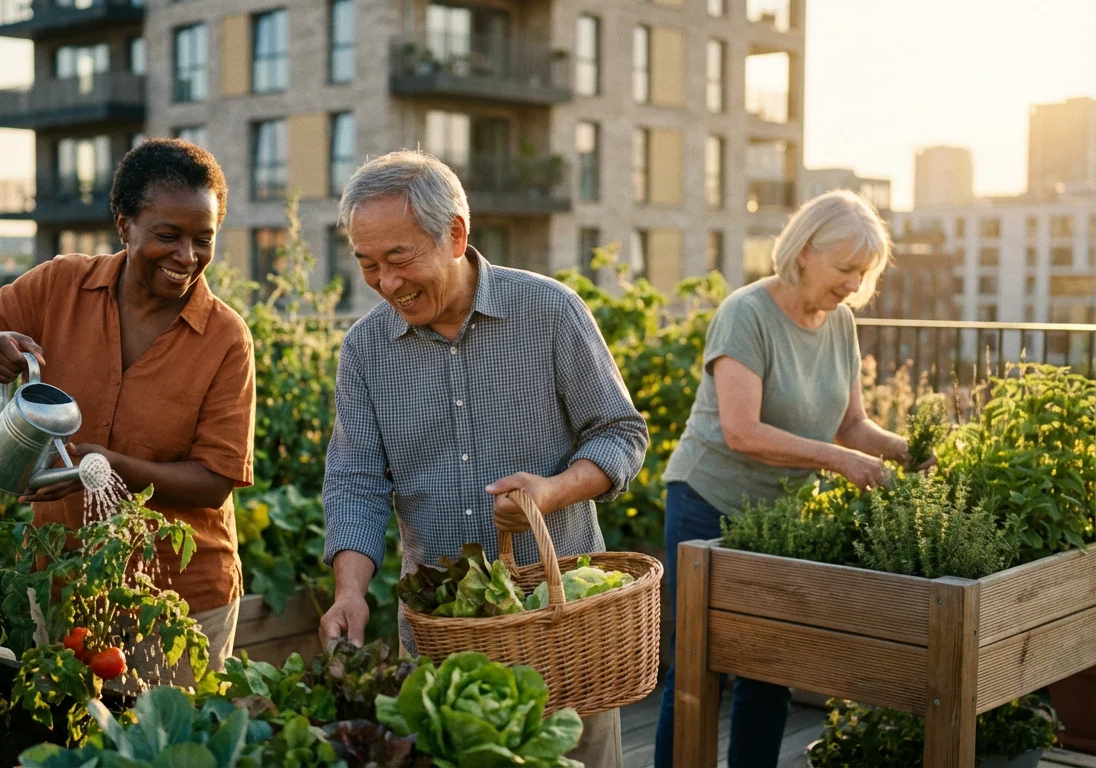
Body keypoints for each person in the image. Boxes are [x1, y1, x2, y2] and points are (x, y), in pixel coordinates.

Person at [318, 150, 649, 766]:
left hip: (562, 625)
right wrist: (350, 592)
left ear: (455, 235)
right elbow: (356, 483)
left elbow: (621, 433)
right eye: (367, 265)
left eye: (399, 259)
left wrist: (553, 491)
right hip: (445, 635)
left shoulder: (550, 311)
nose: (386, 283)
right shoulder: (364, 350)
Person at [0, 138, 255, 687]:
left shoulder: (225, 338)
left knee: (169, 745)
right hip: (63, 582)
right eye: (168, 236)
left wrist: (103, 467)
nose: (186, 257)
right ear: (124, 224)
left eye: (204, 239)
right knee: (72, 741)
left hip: (178, 603)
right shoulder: (60, 285)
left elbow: (214, 482)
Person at [652, 190, 928, 767]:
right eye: (845, 268)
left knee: (772, 666)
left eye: (864, 272)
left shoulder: (840, 323)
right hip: (708, 502)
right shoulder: (746, 313)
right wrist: (838, 461)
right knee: (699, 667)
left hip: (776, 519)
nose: (854, 284)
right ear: (804, 252)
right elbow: (742, 432)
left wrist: (908, 451)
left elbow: (851, 425)